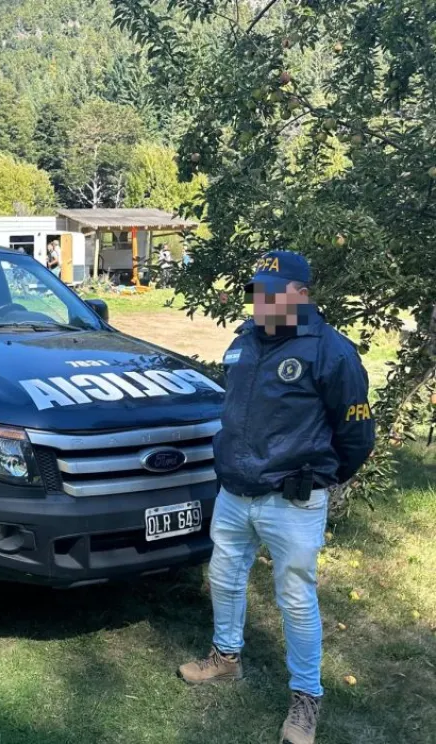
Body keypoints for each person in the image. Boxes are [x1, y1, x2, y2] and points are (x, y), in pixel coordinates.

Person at [177, 250, 375, 744]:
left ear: (302, 295)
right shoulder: (244, 341)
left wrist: (319, 478)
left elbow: (356, 435)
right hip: (234, 493)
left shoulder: (332, 352)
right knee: (223, 578)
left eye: (274, 292)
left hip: (292, 501)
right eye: (257, 292)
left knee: (296, 600)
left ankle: (306, 699)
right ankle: (225, 659)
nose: (262, 302)